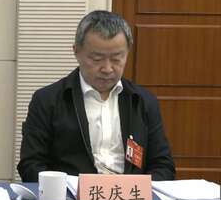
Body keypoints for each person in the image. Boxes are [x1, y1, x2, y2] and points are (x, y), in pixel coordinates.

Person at [18, 10, 175, 182]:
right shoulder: (48, 100)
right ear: (76, 51)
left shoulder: (143, 101)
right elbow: (31, 164)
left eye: (116, 59)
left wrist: (141, 190)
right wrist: (68, 190)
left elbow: (163, 165)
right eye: (96, 59)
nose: (107, 69)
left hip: (131, 196)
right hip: (71, 196)